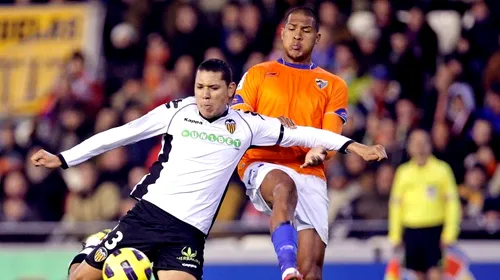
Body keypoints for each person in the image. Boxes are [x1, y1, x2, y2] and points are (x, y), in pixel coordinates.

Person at [32, 59, 387, 280]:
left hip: (189, 234)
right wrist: (64, 158)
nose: (204, 95)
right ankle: (91, 247)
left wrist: (352, 145)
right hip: (148, 216)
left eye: (213, 88)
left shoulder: (247, 125)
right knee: (80, 278)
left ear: (231, 91)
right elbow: (120, 135)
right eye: (200, 87)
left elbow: (304, 132)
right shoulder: (175, 110)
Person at [231, 6, 349, 280]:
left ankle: (296, 272)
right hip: (263, 163)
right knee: (285, 187)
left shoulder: (334, 85)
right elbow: (238, 122)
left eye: (306, 31)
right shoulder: (258, 74)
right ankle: (287, 266)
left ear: (317, 38)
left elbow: (330, 137)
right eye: (292, 30)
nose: (297, 36)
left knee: (312, 272)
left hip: (310, 171)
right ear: (282, 34)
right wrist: (272, 127)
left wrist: (320, 153)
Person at [389, 129, 461, 280]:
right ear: (409, 147)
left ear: (430, 145)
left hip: (435, 229)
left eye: (423, 142)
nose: (420, 147)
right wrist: (395, 234)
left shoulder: (442, 170)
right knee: (416, 275)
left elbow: (452, 203)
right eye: (415, 143)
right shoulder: (403, 172)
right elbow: (395, 205)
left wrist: (450, 233)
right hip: (411, 230)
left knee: (435, 273)